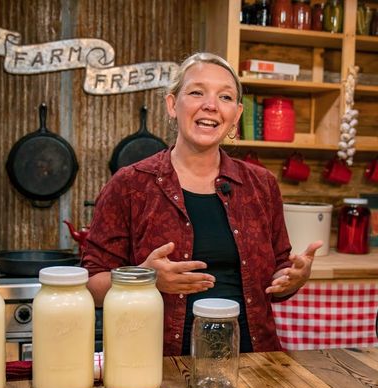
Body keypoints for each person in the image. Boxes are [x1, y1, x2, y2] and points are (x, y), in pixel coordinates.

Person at [81, 52, 322, 356]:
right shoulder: (130, 185)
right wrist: (145, 279)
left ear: (236, 115)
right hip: (155, 364)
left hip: (255, 361)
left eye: (225, 96)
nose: (210, 105)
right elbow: (91, 286)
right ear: (172, 104)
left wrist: (291, 279)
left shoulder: (261, 185)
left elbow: (277, 272)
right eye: (196, 92)